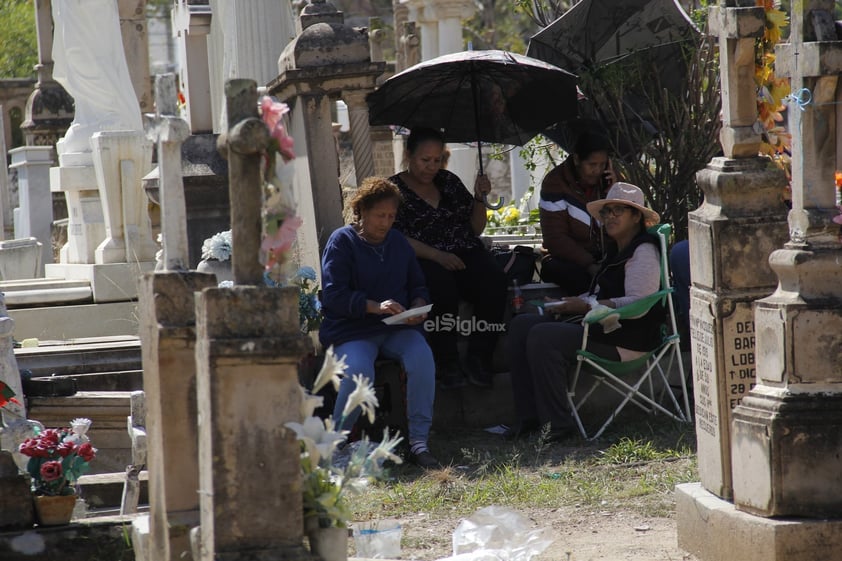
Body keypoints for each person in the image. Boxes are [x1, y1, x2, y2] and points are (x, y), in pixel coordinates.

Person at [504, 183, 663, 441]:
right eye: (606, 211)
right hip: (604, 330)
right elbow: (601, 295)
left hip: (628, 340)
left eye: (618, 211)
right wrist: (569, 302)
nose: (610, 217)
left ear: (636, 216)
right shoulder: (615, 250)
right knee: (522, 325)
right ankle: (529, 419)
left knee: (543, 336)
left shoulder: (643, 250)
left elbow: (638, 303)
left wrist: (587, 306)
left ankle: (557, 425)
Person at [319, 177, 440, 468]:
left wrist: (418, 305)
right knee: (360, 371)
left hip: (397, 327)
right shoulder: (342, 241)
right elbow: (334, 295)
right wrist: (374, 306)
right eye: (379, 215)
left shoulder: (398, 242)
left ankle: (419, 442)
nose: (385, 222)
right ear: (361, 211)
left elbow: (418, 285)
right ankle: (335, 445)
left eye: (391, 216)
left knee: (422, 357)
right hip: (353, 330)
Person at [389, 127, 507, 389]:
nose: (431, 166)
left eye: (437, 160)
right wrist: (437, 255)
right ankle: (447, 362)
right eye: (425, 159)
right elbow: (394, 237)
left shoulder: (449, 181)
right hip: (424, 257)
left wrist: (479, 198)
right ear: (409, 155)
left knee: (494, 281)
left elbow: (475, 228)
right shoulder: (393, 190)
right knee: (441, 287)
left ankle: (480, 358)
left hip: (464, 251)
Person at [539, 131, 618, 294]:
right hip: (569, 260)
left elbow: (628, 226)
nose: (597, 171)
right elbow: (555, 237)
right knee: (578, 278)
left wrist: (615, 193)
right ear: (576, 160)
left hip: (605, 257)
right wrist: (588, 264)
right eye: (592, 165)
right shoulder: (555, 183)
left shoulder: (610, 182)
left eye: (602, 165)